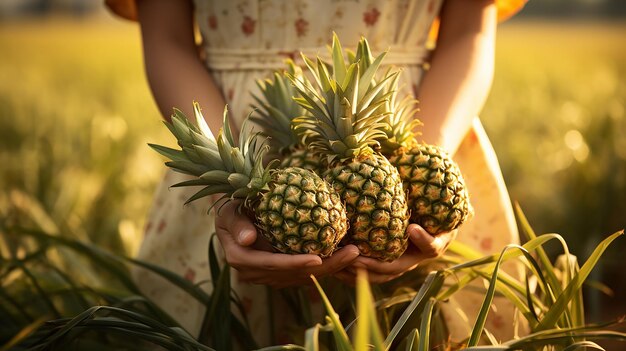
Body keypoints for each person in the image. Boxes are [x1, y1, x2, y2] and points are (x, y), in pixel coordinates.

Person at [105, 0, 527, 347]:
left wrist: (418, 178)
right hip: (234, 128)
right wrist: (230, 198)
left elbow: (468, 31)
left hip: (418, 123)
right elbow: (167, 39)